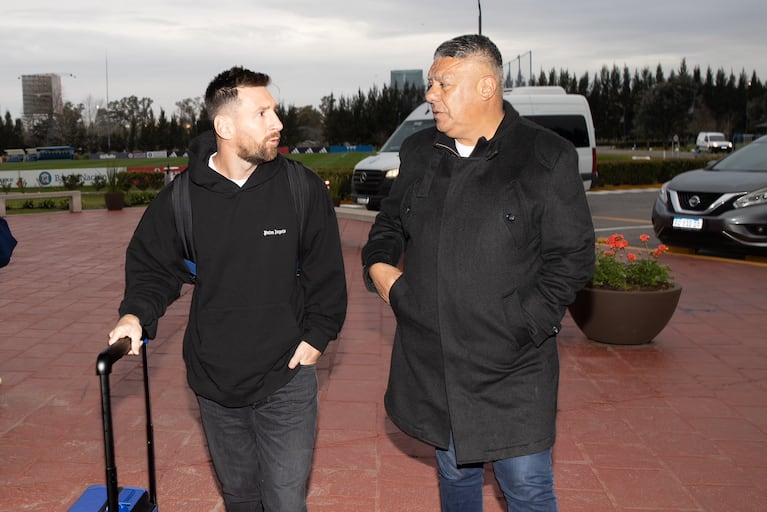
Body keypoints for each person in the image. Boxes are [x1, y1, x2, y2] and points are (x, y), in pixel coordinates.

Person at [361, 35, 594, 511]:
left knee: (526, 486)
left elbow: (572, 258)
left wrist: (522, 323)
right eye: (431, 83)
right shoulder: (420, 150)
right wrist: (381, 268)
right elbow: (390, 221)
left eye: (443, 84)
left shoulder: (545, 157)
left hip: (513, 363)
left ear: (487, 87)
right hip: (436, 358)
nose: (430, 95)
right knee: (453, 470)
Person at [108, 66, 347, 511]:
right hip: (214, 380)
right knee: (240, 498)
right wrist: (134, 313)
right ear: (225, 126)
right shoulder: (182, 198)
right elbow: (153, 267)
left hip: (287, 374)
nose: (277, 123)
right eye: (262, 113)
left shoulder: (300, 187)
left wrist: (317, 336)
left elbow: (326, 273)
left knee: (285, 501)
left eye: (275, 111)